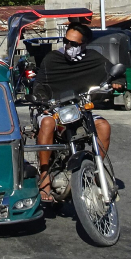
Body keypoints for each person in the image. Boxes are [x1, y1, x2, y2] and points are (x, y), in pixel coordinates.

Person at [34, 22, 113, 202]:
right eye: (66, 41)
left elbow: (112, 72)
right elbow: (39, 85)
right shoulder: (52, 59)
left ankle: (96, 174)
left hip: (80, 109)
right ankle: (45, 177)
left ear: (84, 44)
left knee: (104, 127)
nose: (68, 46)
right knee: (47, 122)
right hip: (53, 109)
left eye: (74, 44)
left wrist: (118, 81)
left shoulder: (94, 59)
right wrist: (42, 100)